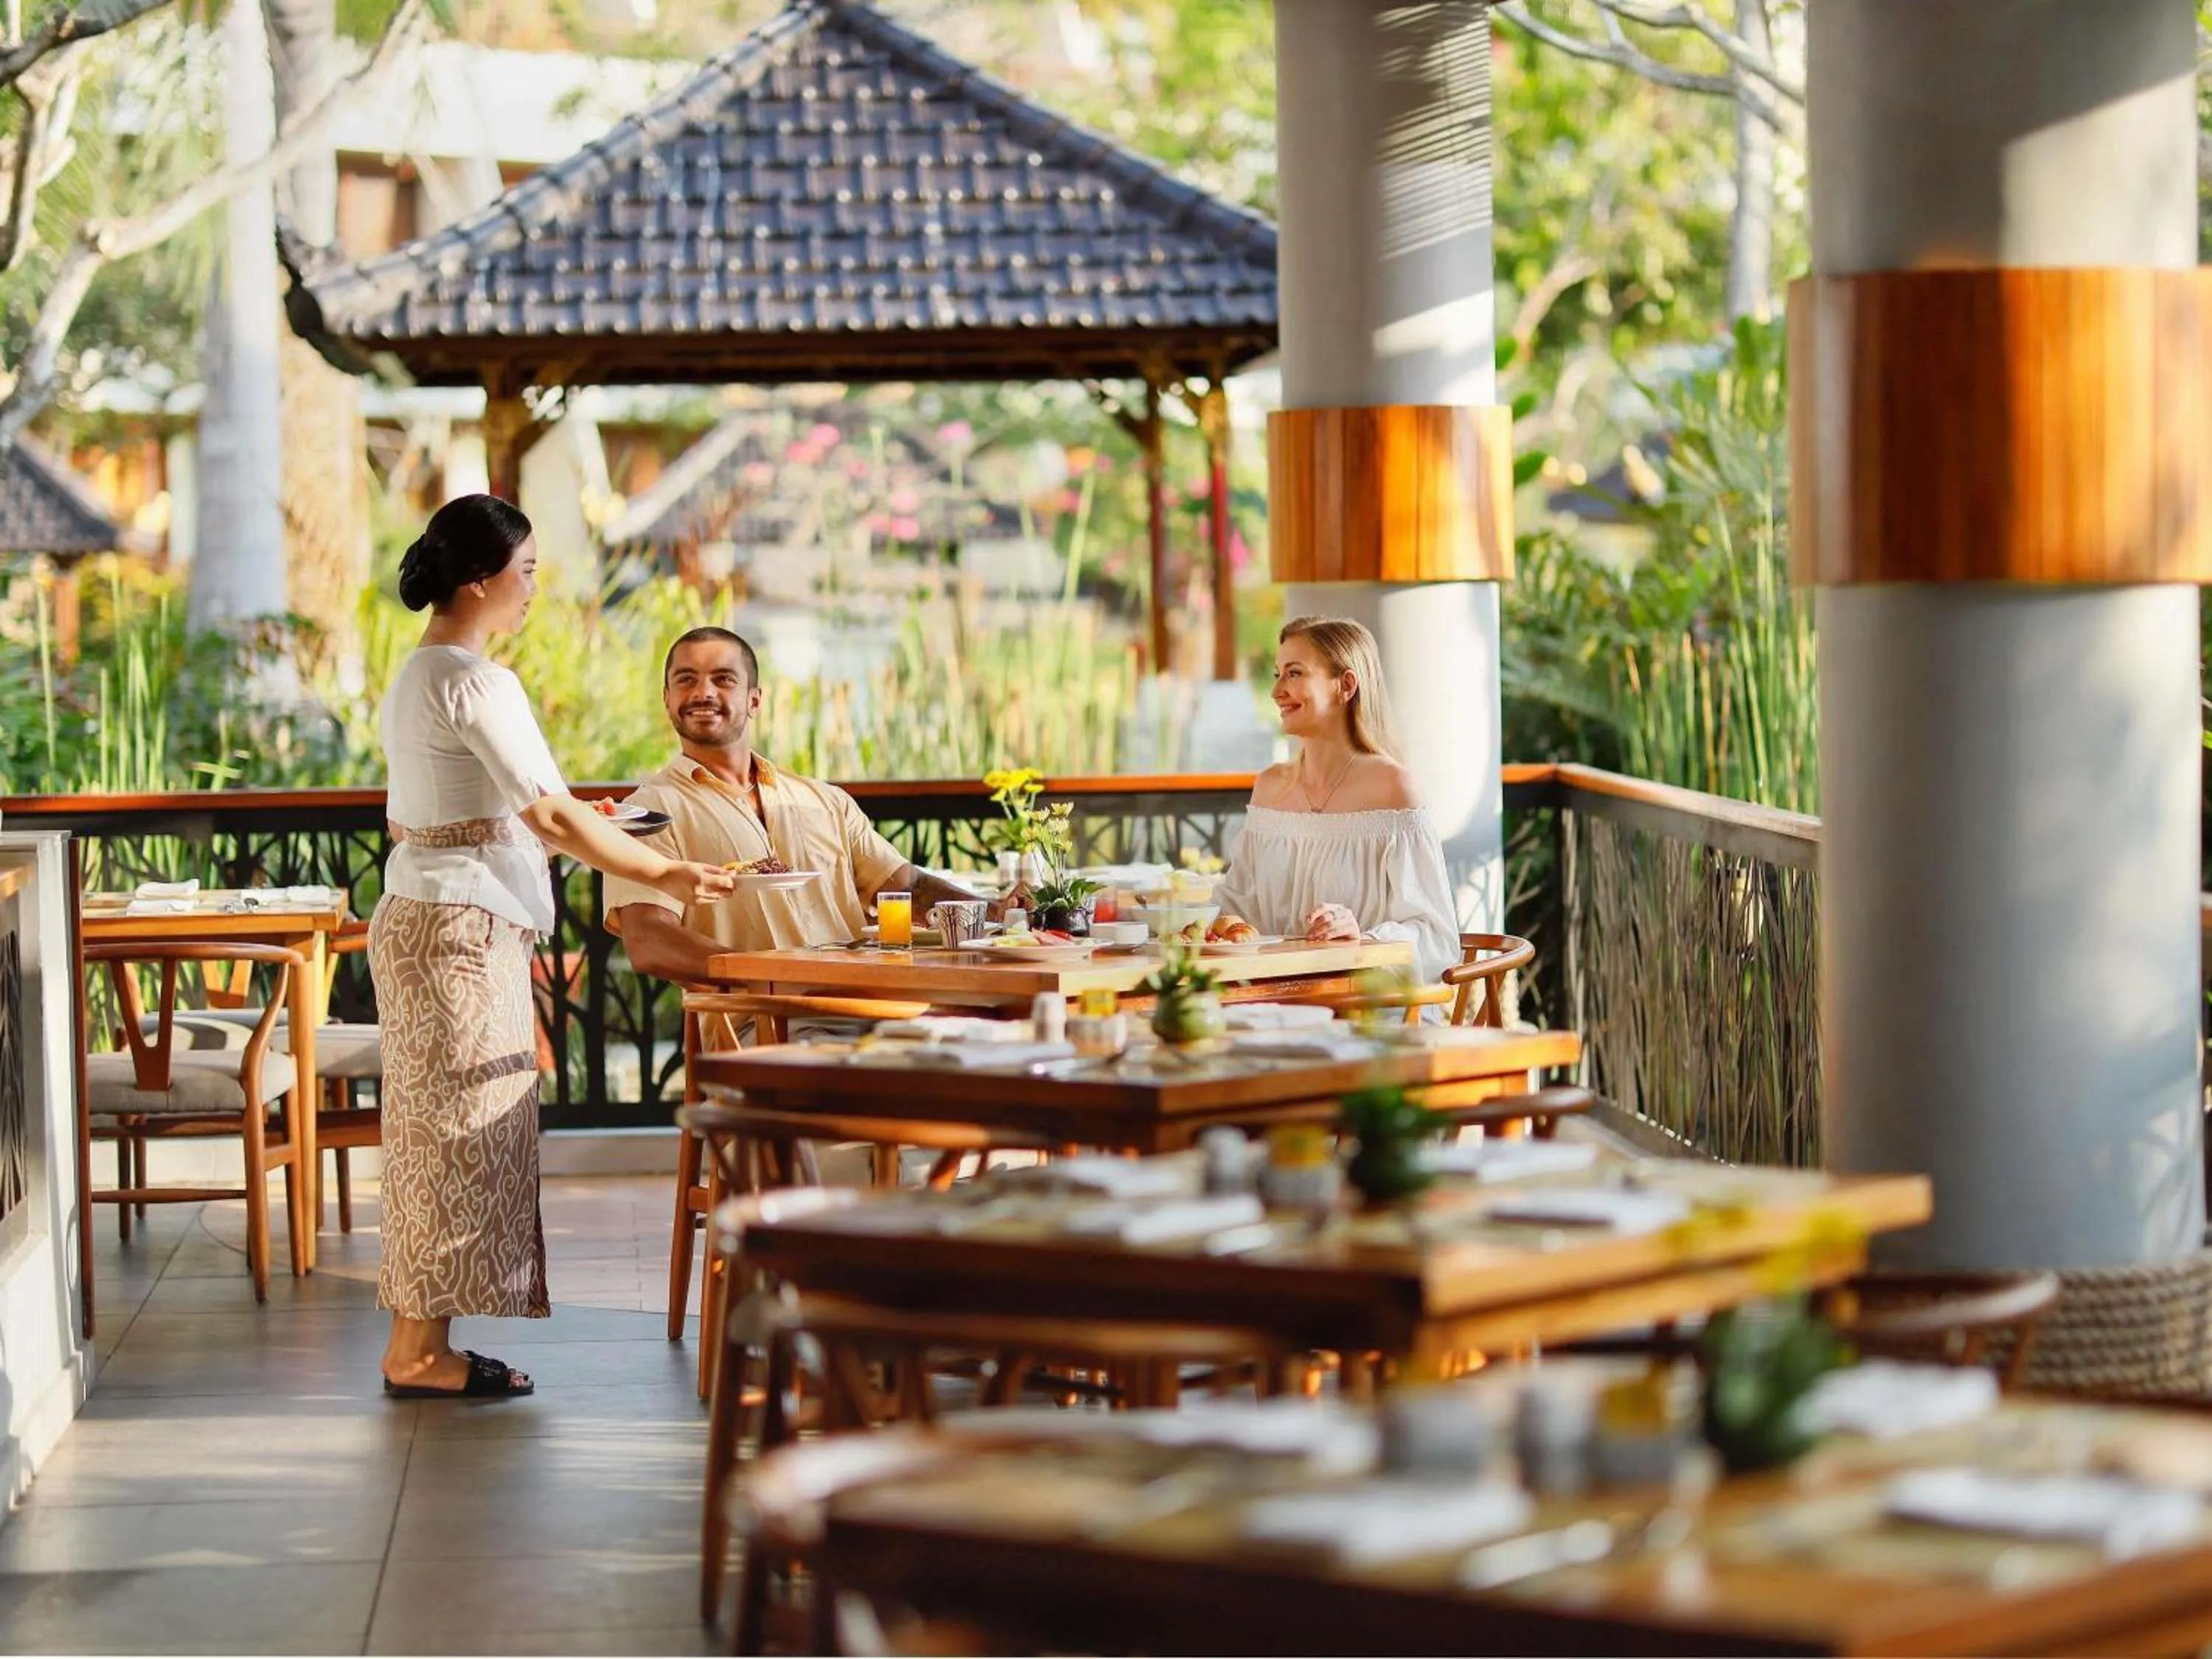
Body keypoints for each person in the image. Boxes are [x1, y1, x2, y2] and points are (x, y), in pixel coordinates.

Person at [371, 495, 733, 1399]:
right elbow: (552, 814)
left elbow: (506, 808)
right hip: (459, 926)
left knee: (436, 1135)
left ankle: (421, 1342)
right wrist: (667, 874)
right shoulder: (477, 680)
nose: (533, 588)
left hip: (430, 915)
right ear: (481, 579)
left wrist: (585, 827)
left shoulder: (422, 673)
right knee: (460, 1134)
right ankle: (418, 1352)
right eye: (526, 571)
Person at [608, 626, 1006, 992]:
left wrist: (1000, 914)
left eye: (723, 679)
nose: (703, 693)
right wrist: (765, 978)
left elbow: (907, 888)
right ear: (668, 699)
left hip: (870, 1002)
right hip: (762, 1017)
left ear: (754, 700)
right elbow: (649, 942)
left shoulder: (824, 800)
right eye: (686, 680)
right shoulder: (649, 811)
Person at [1213, 616, 1458, 988]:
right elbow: (1235, 910)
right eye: (1278, 674)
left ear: (1345, 685)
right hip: (1272, 1009)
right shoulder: (1269, 788)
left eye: (1294, 674)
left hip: (1369, 1013)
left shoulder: (1394, 789)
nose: (1277, 690)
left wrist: (1362, 938)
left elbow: (1437, 938)